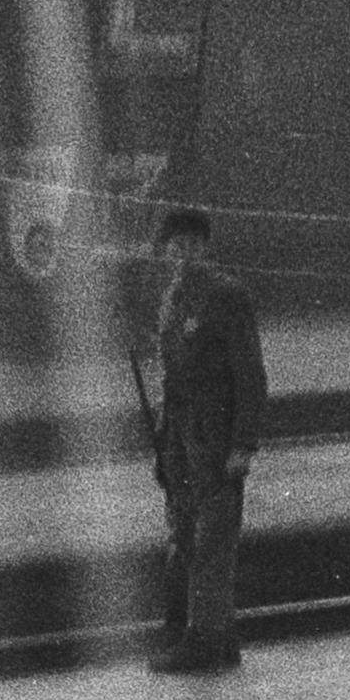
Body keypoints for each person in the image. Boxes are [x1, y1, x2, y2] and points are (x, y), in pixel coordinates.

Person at [145, 202, 265, 675]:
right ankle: (206, 632)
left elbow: (250, 373)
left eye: (193, 245)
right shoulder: (174, 297)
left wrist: (243, 445)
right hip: (182, 435)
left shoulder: (226, 296)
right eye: (177, 246)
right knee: (187, 534)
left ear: (206, 247)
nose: (185, 254)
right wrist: (163, 440)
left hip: (215, 436)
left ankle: (206, 640)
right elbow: (170, 380)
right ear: (167, 251)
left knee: (212, 538)